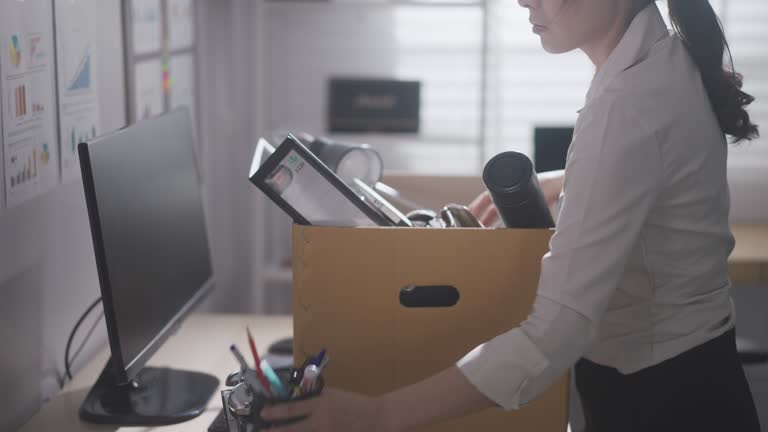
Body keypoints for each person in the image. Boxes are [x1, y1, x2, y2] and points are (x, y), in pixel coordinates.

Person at [262, 0, 761, 430]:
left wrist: (373, 417)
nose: (523, 1)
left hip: (664, 405)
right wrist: (568, 180)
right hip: (698, 378)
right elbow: (655, 159)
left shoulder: (627, 106)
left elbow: (556, 331)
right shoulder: (664, 59)